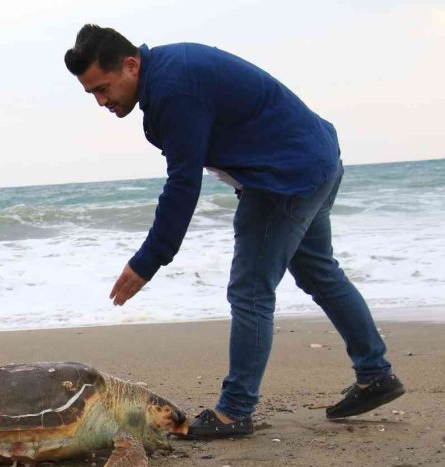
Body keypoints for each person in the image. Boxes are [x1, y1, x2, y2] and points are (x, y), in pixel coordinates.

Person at [63, 25, 404, 439]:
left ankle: (235, 411)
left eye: (103, 87)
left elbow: (183, 184)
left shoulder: (174, 91)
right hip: (317, 159)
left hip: (284, 178)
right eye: (91, 94)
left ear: (131, 65)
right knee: (319, 272)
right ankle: (375, 373)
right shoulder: (170, 72)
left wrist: (147, 261)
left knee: (250, 291)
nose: (101, 101)